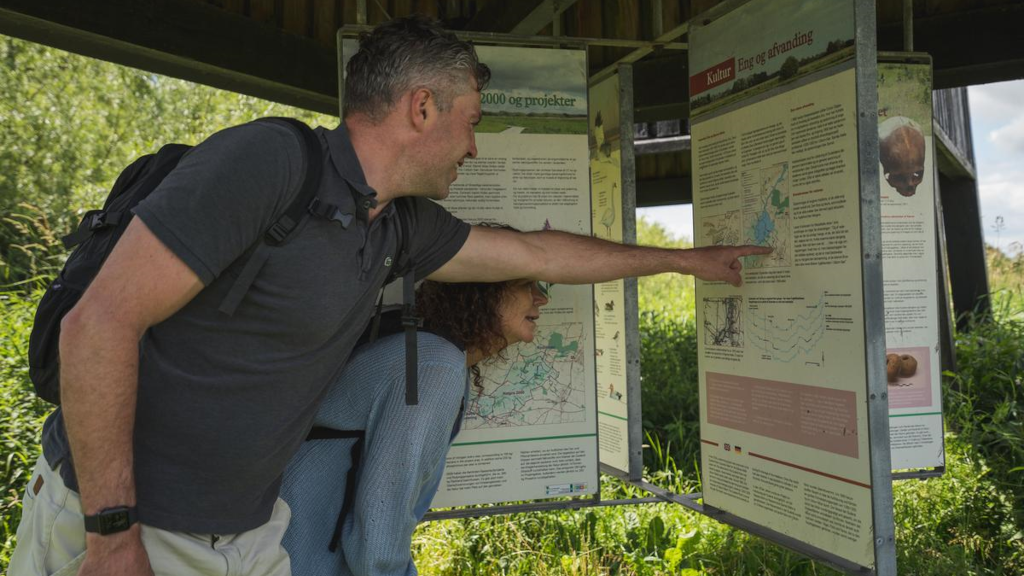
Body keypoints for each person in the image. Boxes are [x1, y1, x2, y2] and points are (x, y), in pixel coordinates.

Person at [9, 14, 767, 576]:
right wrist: (112, 535)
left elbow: (538, 253)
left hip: (245, 537)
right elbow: (97, 324)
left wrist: (687, 261)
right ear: (421, 108)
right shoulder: (269, 163)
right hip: (124, 528)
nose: (474, 146)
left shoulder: (397, 228)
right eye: (471, 122)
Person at [280, 276, 548, 575]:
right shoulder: (434, 363)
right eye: (528, 286)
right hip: (304, 556)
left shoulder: (422, 342)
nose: (541, 298)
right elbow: (382, 515)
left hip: (289, 541)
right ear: (486, 290)